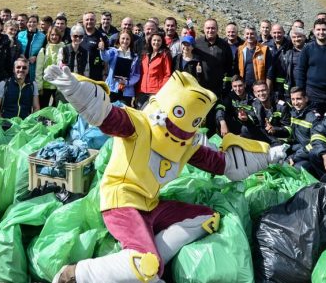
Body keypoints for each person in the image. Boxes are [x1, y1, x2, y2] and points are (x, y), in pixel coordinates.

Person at [46, 66, 286, 283]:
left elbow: (221, 164)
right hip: (122, 202)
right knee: (145, 262)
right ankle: (75, 274)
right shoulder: (139, 125)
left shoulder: (185, 145)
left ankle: (148, 263)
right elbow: (107, 117)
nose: (182, 129)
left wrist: (267, 157)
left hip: (151, 203)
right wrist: (75, 88)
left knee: (207, 219)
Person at [296, 19, 326, 114]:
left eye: (324, 29)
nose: (321, 32)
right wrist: (301, 92)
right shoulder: (307, 49)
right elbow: (301, 71)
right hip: (312, 94)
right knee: (313, 123)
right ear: (314, 31)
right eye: (318, 30)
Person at [193, 19, 233, 97]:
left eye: (213, 28)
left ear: (217, 29)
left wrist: (226, 86)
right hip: (200, 87)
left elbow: (229, 66)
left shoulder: (225, 45)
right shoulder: (197, 43)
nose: (210, 30)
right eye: (208, 28)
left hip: (219, 88)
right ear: (204, 29)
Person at [102, 30, 141, 105]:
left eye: (127, 39)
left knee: (124, 114)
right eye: (123, 38)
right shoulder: (113, 51)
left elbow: (136, 74)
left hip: (126, 91)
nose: (125, 41)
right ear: (119, 39)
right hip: (112, 88)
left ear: (130, 41)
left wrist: (127, 82)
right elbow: (105, 57)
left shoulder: (135, 56)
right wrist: (102, 50)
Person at [247, 79, 290, 144]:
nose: (261, 93)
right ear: (254, 93)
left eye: (263, 90)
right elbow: (253, 123)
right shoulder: (254, 104)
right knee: (245, 129)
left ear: (268, 90)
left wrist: (274, 129)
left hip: (278, 139)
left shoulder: (282, 106)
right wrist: (245, 120)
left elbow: (289, 130)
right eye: (258, 91)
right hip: (262, 136)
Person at [137, 31, 172, 106]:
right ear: (150, 41)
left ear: (162, 42)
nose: (156, 42)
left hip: (155, 92)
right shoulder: (145, 54)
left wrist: (162, 91)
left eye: (159, 40)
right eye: (154, 40)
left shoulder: (165, 55)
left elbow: (167, 74)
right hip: (142, 91)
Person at [235, 27, 273, 94]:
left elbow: (269, 70)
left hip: (260, 87)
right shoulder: (240, 50)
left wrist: (268, 88)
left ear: (256, 35)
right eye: (247, 34)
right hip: (244, 87)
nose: (249, 36)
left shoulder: (264, 49)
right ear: (244, 35)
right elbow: (236, 69)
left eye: (252, 34)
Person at [36, 26, 66, 108]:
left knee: (59, 109)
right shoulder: (44, 50)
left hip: (59, 86)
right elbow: (38, 70)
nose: (54, 37)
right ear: (48, 35)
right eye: (52, 34)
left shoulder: (64, 49)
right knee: (43, 109)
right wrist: (39, 86)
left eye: (56, 35)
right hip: (46, 86)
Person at [287, 86, 316, 168]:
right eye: (293, 99)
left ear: (306, 99)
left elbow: (314, 144)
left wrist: (294, 157)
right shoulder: (294, 113)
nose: (295, 103)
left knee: (295, 169)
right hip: (296, 151)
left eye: (298, 99)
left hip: (308, 155)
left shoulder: (313, 118)